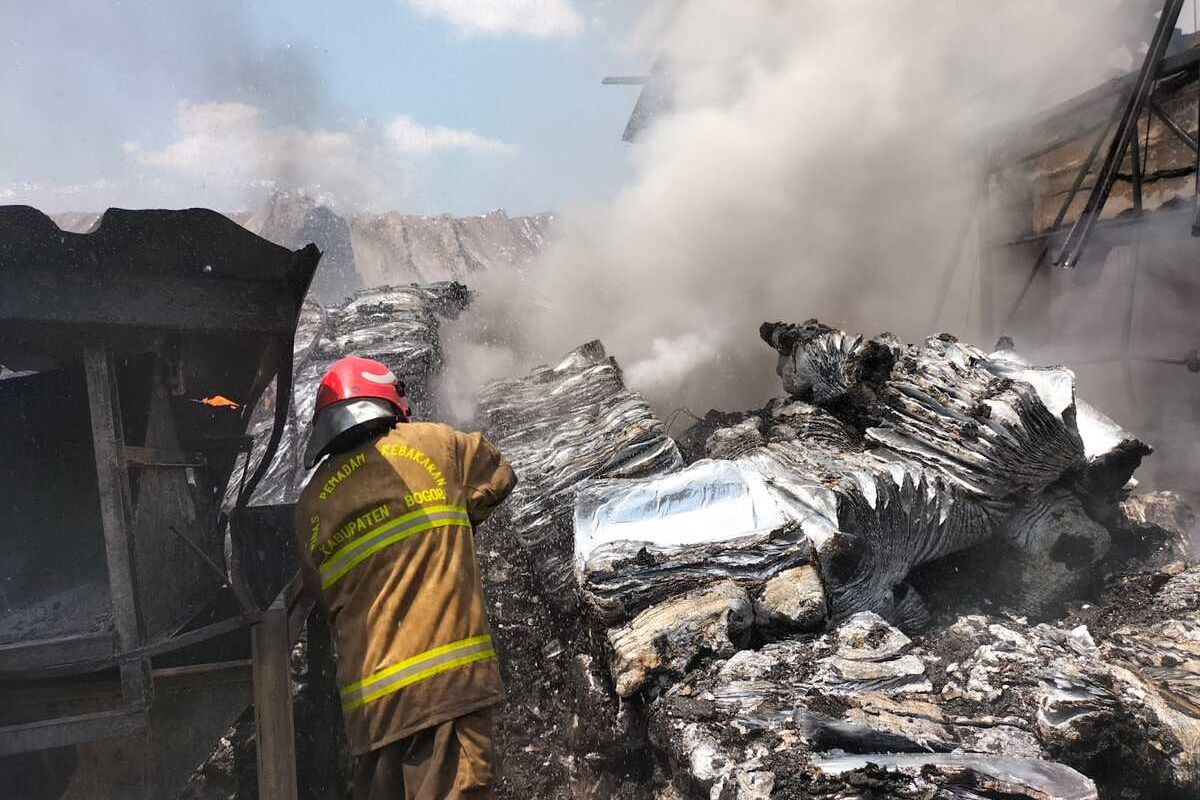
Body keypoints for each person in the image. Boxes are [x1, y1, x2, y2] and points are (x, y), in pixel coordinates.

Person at [294, 355, 516, 800]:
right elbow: (499, 475)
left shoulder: (311, 505)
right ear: (392, 402)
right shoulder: (437, 444)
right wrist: (454, 522)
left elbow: (324, 595)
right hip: (445, 691)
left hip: (372, 713)